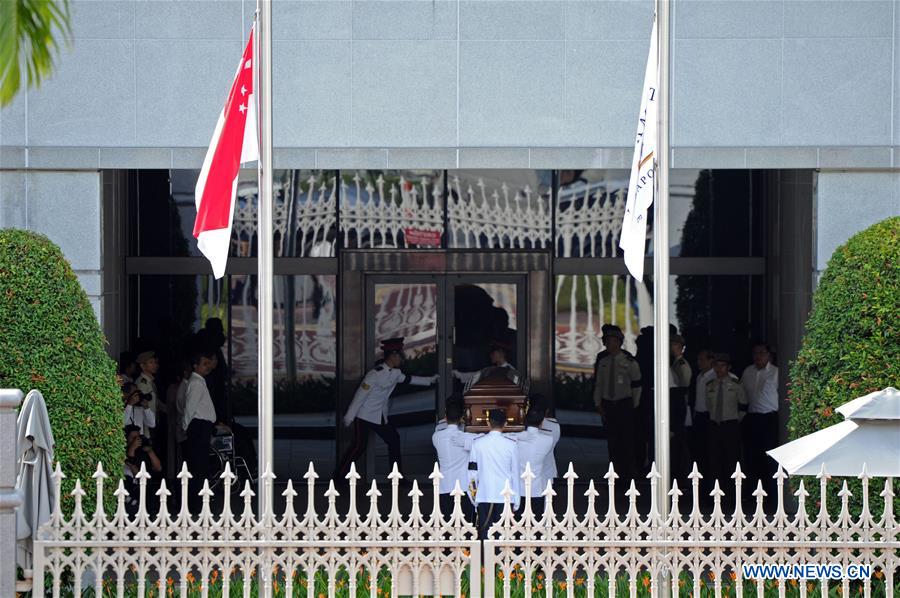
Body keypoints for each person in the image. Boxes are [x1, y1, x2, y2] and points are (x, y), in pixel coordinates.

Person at [337, 338, 438, 478]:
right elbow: (359, 396)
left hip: (379, 417)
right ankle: (339, 475)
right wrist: (349, 417)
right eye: (400, 355)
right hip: (364, 416)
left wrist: (431, 380)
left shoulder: (395, 373)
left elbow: (410, 379)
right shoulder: (374, 374)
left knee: (394, 440)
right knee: (358, 447)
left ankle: (396, 477)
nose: (402, 358)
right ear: (393, 356)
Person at [592, 325, 642, 482]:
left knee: (627, 442)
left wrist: (633, 405)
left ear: (619, 343)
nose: (609, 344)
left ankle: (628, 476)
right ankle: (615, 474)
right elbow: (598, 384)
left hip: (624, 404)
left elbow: (637, 385)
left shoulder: (629, 362)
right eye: (607, 341)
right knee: (612, 442)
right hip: (608, 405)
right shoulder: (603, 362)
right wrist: (598, 403)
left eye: (613, 341)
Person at [468, 409, 520, 539]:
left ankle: (485, 560)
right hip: (506, 497)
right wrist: (516, 501)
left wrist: (474, 498)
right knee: (503, 537)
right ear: (505, 424)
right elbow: (515, 475)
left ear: (488, 423)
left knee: (485, 536)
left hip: (484, 495)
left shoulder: (477, 443)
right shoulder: (512, 445)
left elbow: (472, 474)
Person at [432, 398, 479, 522]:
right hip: (464, 486)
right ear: (462, 418)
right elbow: (482, 440)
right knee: (467, 526)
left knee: (447, 526)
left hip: (444, 486)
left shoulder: (436, 437)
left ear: (445, 418)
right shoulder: (467, 438)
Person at [740, 343, 779, 494]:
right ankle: (753, 493)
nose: (758, 356)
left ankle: (772, 494)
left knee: (770, 456)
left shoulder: (776, 372)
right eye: (756, 353)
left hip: (769, 418)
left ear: (769, 355)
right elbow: (742, 394)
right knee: (752, 456)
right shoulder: (748, 371)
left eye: (762, 353)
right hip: (752, 418)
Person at [183, 349, 218, 511]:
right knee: (197, 467)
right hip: (198, 427)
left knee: (200, 466)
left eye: (208, 363)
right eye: (203, 364)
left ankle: (198, 503)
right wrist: (185, 426)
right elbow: (190, 408)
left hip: (202, 427)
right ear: (195, 366)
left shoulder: (199, 381)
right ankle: (195, 505)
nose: (207, 367)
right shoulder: (196, 383)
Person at [705, 354, 747, 485]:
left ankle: (733, 493)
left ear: (728, 367)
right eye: (716, 365)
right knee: (714, 459)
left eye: (722, 365)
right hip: (714, 425)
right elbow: (708, 405)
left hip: (730, 424)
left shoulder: (736, 384)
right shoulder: (710, 385)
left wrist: (735, 420)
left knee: (732, 459)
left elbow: (744, 405)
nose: (719, 369)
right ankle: (716, 489)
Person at [513, 406, 555, 516]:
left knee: (517, 528)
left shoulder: (515, 438)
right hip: (537, 489)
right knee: (536, 527)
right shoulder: (548, 439)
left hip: (518, 489)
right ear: (541, 422)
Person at [669, 335, 692, 481]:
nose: (671, 347)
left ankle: (680, 476)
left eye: (674, 345)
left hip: (680, 406)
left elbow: (684, 387)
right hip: (676, 405)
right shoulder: (675, 363)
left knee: (679, 442)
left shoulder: (682, 364)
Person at [135, 351, 163, 446]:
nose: (155, 365)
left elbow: (155, 402)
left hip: (152, 423)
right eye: (151, 362)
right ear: (143, 366)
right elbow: (143, 406)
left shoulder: (150, 382)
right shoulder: (142, 383)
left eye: (155, 362)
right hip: (146, 426)